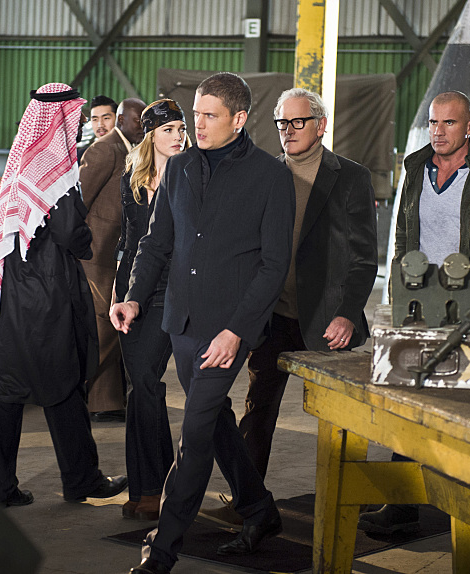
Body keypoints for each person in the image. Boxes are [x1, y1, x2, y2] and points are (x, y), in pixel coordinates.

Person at [110, 72, 295, 574]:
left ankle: (162, 550)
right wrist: (133, 298)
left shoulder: (271, 177)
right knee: (213, 423)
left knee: (193, 435)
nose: (198, 124)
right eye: (196, 114)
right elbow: (156, 243)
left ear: (239, 119)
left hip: (228, 330)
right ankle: (259, 509)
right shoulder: (179, 168)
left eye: (210, 116)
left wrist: (237, 332)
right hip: (182, 321)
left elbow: (273, 265)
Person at [198, 87, 379, 528]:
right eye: (282, 122)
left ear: (321, 125)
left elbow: (363, 258)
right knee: (258, 409)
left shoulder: (350, 177)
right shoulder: (266, 173)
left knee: (340, 419)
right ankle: (247, 502)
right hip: (272, 314)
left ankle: (347, 502)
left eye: (299, 122)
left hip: (328, 319)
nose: (289, 130)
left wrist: (347, 313)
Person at [358, 90, 470, 535]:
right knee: (409, 398)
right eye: (434, 122)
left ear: (469, 127)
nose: (438, 131)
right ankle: (402, 506)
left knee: (464, 404)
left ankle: (469, 509)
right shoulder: (416, 167)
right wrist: (401, 284)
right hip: (420, 302)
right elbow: (402, 232)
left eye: (449, 123)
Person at [0, 83, 127, 508]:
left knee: (7, 395)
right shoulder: (53, 176)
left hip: (9, 299)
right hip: (45, 299)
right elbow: (69, 233)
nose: (77, 127)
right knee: (64, 384)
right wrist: (88, 239)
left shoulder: (19, 170)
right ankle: (81, 479)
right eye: (73, 119)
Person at [116, 99, 191, 522]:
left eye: (181, 128)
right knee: (139, 386)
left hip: (173, 290)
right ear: (150, 137)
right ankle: (146, 486)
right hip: (134, 292)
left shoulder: (194, 175)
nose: (178, 136)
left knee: (150, 380)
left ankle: (157, 488)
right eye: (168, 130)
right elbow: (128, 244)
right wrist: (120, 295)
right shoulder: (132, 180)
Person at [79, 96, 146, 423]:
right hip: (96, 257)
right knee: (104, 328)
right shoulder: (105, 150)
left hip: (116, 256)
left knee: (110, 326)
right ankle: (71, 391)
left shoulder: (131, 149)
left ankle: (104, 402)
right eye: (137, 120)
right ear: (122, 120)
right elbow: (79, 201)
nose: (142, 126)